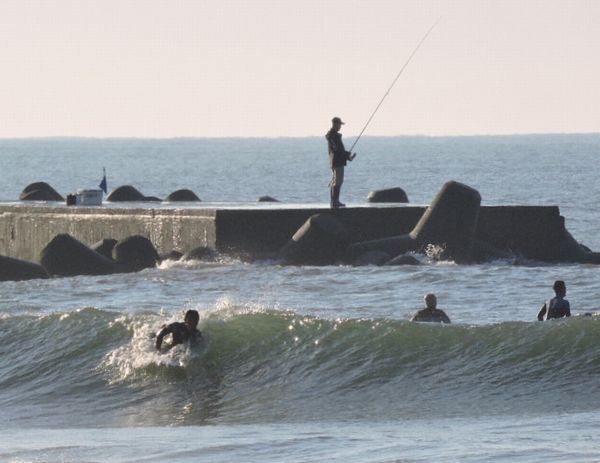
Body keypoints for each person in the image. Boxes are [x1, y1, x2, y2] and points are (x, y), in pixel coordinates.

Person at [326, 116, 356, 208]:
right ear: (335, 124)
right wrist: (347, 155)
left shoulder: (333, 135)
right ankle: (335, 201)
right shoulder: (333, 136)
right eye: (339, 124)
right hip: (337, 161)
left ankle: (334, 201)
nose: (340, 126)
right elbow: (338, 149)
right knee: (337, 181)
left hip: (335, 161)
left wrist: (347, 156)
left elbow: (338, 150)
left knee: (336, 181)